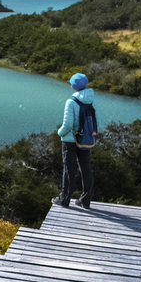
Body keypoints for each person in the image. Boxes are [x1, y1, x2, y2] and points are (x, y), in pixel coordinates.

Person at [53, 72, 96, 208]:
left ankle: (65, 199)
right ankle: (85, 200)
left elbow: (67, 125)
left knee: (69, 169)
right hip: (86, 139)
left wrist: (59, 133)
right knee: (85, 167)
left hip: (70, 140)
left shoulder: (71, 101)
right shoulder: (90, 100)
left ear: (73, 86)